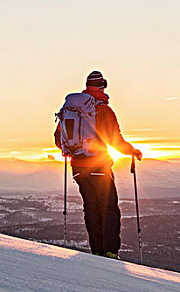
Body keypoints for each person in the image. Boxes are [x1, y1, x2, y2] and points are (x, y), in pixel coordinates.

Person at [54, 71, 142, 259]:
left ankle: (97, 251)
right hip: (99, 166)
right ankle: (110, 251)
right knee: (109, 207)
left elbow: (58, 139)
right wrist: (132, 151)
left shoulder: (72, 109)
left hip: (78, 167)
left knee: (91, 207)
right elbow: (114, 140)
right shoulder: (102, 110)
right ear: (102, 87)